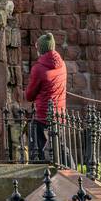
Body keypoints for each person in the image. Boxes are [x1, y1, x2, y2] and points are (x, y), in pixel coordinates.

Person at [25, 33, 68, 163]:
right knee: (59, 147)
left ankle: (43, 172)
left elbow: (29, 95)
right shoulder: (62, 65)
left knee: (39, 149)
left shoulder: (38, 69)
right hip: (59, 113)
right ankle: (69, 171)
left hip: (43, 115)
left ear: (41, 50)